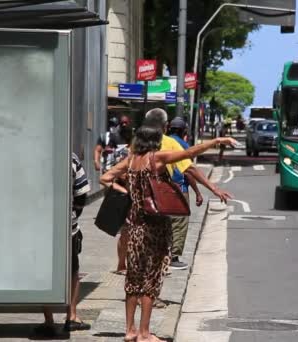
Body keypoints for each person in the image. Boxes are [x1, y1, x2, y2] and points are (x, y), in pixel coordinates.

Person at [100, 125, 237, 342]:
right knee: (151, 279)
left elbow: (105, 178)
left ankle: (129, 331)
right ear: (155, 141)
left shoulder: (131, 161)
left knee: (133, 278)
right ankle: (145, 334)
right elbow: (190, 153)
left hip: (135, 226)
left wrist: (126, 192)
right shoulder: (157, 158)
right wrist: (216, 141)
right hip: (156, 227)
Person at [144, 108, 232, 271]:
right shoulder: (169, 143)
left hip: (138, 197)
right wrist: (213, 189)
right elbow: (189, 169)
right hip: (161, 193)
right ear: (165, 125)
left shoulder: (136, 142)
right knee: (168, 227)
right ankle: (166, 261)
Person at [35, 153, 92, 337]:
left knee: (43, 271)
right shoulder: (70, 157)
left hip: (37, 224)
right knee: (72, 270)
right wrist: (73, 214)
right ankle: (72, 317)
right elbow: (82, 194)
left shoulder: (34, 154)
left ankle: (49, 320)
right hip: (67, 226)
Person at [167, 117, 204, 270]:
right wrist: (197, 192)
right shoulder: (183, 146)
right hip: (179, 190)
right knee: (179, 223)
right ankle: (173, 258)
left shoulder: (163, 141)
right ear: (184, 132)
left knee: (165, 222)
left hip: (161, 189)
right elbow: (188, 172)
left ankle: (162, 254)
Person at [114, 126, 135, 275]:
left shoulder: (143, 155)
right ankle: (121, 264)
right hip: (126, 197)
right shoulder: (123, 153)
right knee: (126, 232)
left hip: (138, 199)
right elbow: (117, 174)